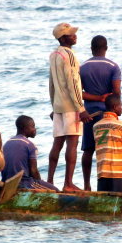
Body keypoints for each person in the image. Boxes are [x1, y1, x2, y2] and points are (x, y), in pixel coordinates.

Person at [47, 22, 92, 191]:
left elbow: (51, 83)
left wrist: (53, 105)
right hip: (71, 106)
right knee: (72, 145)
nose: (75, 36)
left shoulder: (54, 55)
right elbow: (73, 83)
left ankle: (50, 182)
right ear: (63, 37)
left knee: (57, 144)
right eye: (72, 34)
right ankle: (68, 183)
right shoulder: (69, 55)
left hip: (58, 105)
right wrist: (81, 109)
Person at [80, 35, 122, 191]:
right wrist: (118, 108)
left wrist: (95, 97)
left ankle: (86, 185)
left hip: (89, 114)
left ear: (91, 48)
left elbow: (79, 93)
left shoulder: (82, 67)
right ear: (106, 48)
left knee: (88, 149)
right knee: (108, 150)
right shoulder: (113, 66)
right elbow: (116, 91)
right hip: (107, 113)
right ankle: (108, 185)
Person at [93, 94, 122, 193]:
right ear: (114, 107)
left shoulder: (96, 126)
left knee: (103, 202)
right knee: (118, 202)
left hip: (102, 172)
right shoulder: (121, 126)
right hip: (118, 173)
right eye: (120, 106)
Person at [2, 116, 59, 191]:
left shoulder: (7, 143)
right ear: (24, 128)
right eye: (32, 126)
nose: (35, 129)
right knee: (55, 191)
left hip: (6, 182)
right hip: (23, 182)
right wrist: (39, 182)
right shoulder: (30, 145)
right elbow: (34, 171)